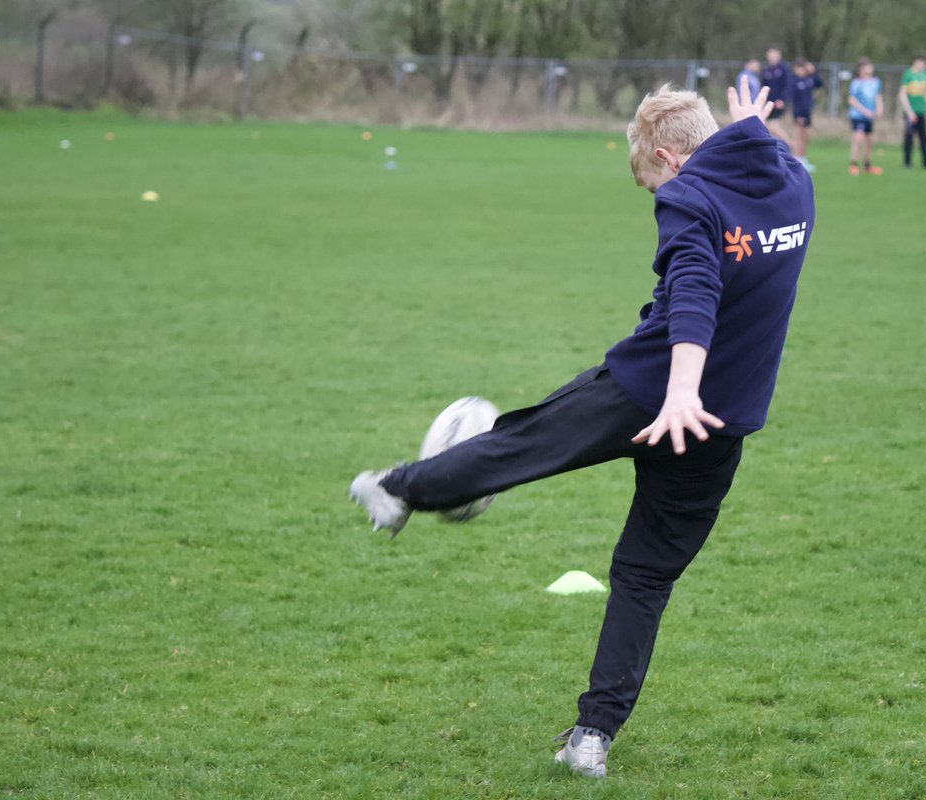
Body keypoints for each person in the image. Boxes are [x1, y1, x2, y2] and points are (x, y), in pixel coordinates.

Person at [347, 76, 815, 779]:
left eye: (650, 182)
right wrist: (746, 122)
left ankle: (399, 489)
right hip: (722, 424)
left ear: (669, 158)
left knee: (527, 440)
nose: (656, 198)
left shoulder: (689, 198)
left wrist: (681, 389)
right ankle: (592, 737)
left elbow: (695, 292)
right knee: (644, 578)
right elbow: (761, 153)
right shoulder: (794, 182)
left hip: (653, 390)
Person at [847, 58, 884, 175]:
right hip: (857, 115)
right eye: (867, 67)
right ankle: (853, 164)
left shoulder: (876, 82)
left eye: (870, 66)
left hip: (870, 117)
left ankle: (867, 165)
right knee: (858, 138)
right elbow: (851, 99)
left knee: (869, 141)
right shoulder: (856, 82)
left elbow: (878, 96)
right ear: (861, 70)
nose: (870, 69)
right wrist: (863, 111)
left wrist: (880, 108)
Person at [899, 53, 926, 168]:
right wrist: (909, 112)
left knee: (924, 138)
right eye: (922, 62)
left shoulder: (925, 75)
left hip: (921, 112)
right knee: (909, 138)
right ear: (916, 62)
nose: (924, 65)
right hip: (910, 113)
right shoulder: (908, 75)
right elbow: (902, 94)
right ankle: (907, 163)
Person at [790, 58, 824, 171]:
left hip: (808, 113)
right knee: (798, 137)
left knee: (806, 137)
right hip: (799, 114)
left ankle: (803, 159)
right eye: (799, 68)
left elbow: (820, 83)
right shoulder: (794, 82)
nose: (801, 70)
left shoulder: (809, 80)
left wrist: (813, 71)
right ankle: (796, 161)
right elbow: (795, 101)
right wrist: (797, 115)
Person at [760, 44, 792, 140]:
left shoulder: (784, 69)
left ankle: (790, 144)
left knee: (773, 127)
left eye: (775, 54)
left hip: (778, 103)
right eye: (770, 54)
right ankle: (779, 151)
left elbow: (788, 85)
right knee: (769, 129)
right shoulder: (766, 70)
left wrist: (782, 99)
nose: (772, 56)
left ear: (779, 55)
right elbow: (764, 87)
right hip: (768, 103)